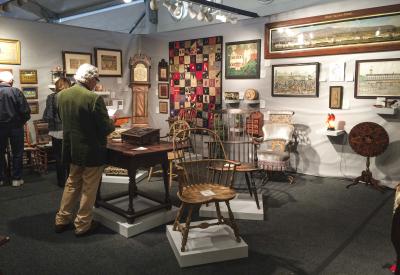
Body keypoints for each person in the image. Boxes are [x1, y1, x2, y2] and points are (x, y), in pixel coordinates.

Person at [54, 64, 115, 237]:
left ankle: (62, 219)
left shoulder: (61, 96)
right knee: (89, 188)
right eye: (96, 79)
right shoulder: (93, 98)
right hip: (92, 151)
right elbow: (106, 129)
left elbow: (63, 118)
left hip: (73, 148)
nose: (96, 83)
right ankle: (82, 225)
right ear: (89, 78)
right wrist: (112, 121)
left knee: (72, 183)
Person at [0, 71, 31, 187]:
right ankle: (16, 179)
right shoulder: (16, 91)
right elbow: (26, 111)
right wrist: (21, 122)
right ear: (11, 81)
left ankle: (1, 179)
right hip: (15, 127)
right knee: (17, 152)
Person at [43, 77, 71, 187]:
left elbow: (48, 116)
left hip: (56, 131)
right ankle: (71, 181)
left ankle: (61, 182)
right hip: (69, 130)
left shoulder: (51, 97)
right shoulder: (71, 96)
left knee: (59, 157)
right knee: (70, 157)